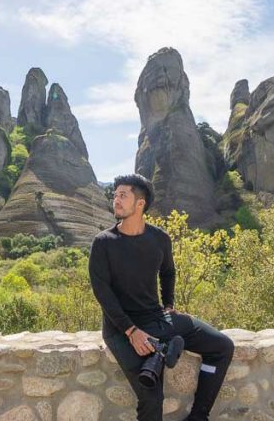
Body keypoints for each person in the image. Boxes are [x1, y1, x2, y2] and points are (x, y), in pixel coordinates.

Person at [89, 173, 235, 421]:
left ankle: (198, 416)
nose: (116, 200)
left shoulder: (159, 239)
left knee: (222, 347)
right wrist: (131, 331)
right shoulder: (103, 243)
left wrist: (169, 304)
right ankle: (162, 348)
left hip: (157, 318)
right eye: (115, 195)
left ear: (140, 204)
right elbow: (103, 292)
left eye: (123, 195)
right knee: (151, 399)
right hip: (120, 329)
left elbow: (168, 272)